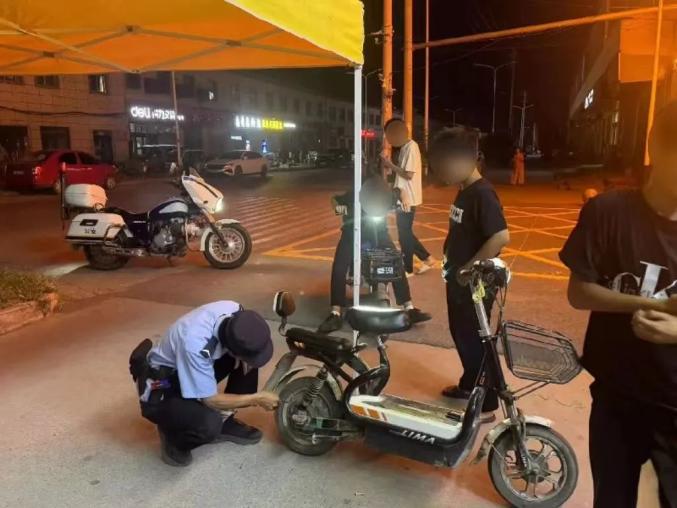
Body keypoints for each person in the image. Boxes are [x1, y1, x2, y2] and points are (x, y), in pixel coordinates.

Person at [559, 101, 677, 508]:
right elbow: (579, 293)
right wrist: (654, 306)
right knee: (611, 499)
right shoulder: (609, 212)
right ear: (656, 146)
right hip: (617, 397)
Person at [129, 301, 279, 467]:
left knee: (249, 358)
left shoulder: (234, 310)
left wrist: (246, 360)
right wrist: (256, 398)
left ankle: (225, 420)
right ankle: (173, 436)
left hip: (188, 364)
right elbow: (211, 400)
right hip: (162, 384)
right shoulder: (195, 345)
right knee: (208, 425)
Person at [429, 127, 510, 423]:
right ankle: (469, 385)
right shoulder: (466, 190)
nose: (441, 172)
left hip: (474, 284)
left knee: (475, 339)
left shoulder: (482, 194)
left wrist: (468, 268)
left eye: (444, 164)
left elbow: (500, 236)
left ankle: (485, 404)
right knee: (462, 335)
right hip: (459, 281)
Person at [317, 174, 431, 334]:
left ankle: (409, 308)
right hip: (352, 231)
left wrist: (405, 198)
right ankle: (335, 313)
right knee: (339, 267)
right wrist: (339, 208)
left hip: (378, 231)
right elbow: (334, 200)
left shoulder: (385, 194)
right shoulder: (354, 195)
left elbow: (400, 190)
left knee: (396, 261)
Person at [381, 118, 437, 275]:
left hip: (408, 198)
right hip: (402, 197)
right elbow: (401, 174)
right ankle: (427, 258)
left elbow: (408, 174)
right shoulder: (405, 148)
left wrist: (389, 164)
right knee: (405, 232)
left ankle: (408, 269)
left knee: (404, 234)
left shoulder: (412, 147)